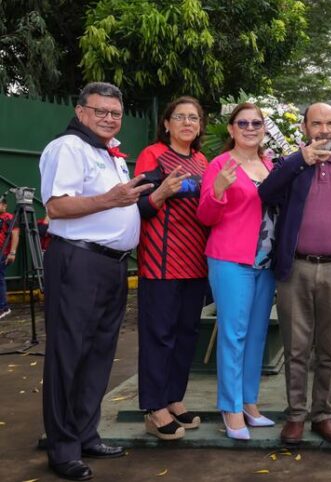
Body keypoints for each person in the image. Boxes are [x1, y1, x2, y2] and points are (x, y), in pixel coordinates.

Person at [39, 82, 152, 481]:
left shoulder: (110, 153)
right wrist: (112, 200)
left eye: (115, 113)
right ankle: (62, 447)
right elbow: (56, 206)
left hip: (113, 265)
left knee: (99, 353)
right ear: (81, 111)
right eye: (100, 111)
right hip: (79, 261)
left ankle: (86, 433)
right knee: (69, 354)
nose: (109, 118)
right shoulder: (68, 147)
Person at [259, 103, 331, 445]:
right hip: (295, 267)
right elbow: (264, 193)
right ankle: (295, 416)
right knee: (295, 348)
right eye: (316, 123)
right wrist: (301, 161)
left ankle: (323, 414)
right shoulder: (292, 165)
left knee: (329, 349)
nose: (323, 130)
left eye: (329, 123)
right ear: (306, 128)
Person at [197, 102, 277, 440]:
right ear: (231, 129)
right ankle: (230, 407)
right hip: (231, 260)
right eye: (242, 123)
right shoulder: (220, 164)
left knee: (258, 334)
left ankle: (249, 402)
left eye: (256, 122)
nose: (249, 128)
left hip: (267, 262)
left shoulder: (270, 165)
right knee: (234, 334)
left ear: (263, 128)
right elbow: (205, 216)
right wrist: (217, 192)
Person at [135, 97, 209, 440]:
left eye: (193, 118)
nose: (187, 123)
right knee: (159, 335)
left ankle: (174, 398)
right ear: (166, 123)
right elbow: (138, 206)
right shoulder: (153, 155)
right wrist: (161, 192)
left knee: (185, 335)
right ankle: (154, 406)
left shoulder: (202, 160)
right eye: (180, 116)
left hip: (196, 262)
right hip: (160, 262)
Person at [0, 196, 19, 320]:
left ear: (4, 206)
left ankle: (3, 307)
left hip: (3, 252)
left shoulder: (9, 218)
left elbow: (15, 234)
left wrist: (12, 252)